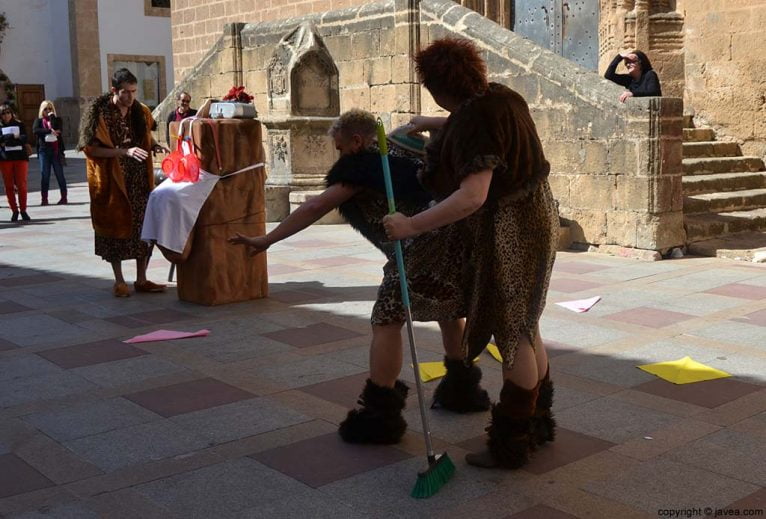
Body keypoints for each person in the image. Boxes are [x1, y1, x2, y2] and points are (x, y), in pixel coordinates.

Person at [229, 109, 491, 444]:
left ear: (356, 141)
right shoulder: (403, 142)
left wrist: (267, 239)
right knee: (450, 310)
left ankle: (380, 415)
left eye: (339, 147)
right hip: (451, 237)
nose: (338, 154)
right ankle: (462, 389)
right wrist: (427, 122)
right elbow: (460, 123)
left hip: (416, 246)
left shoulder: (360, 169)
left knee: (386, 321)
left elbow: (314, 207)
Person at [383, 38, 559, 469]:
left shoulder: (473, 120)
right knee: (526, 321)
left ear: (438, 84)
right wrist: (436, 122)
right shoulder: (502, 95)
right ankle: (537, 420)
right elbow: (486, 129)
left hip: (510, 229)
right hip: (538, 214)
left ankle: (512, 442)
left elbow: (471, 196)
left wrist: (410, 226)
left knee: (512, 333)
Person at [79, 68, 169, 298]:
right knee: (114, 229)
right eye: (125, 92)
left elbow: (145, 135)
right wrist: (123, 151)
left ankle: (141, 278)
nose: (130, 97)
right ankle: (119, 281)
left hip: (139, 179)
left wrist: (154, 144)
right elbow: (91, 149)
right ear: (114, 90)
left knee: (144, 227)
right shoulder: (98, 114)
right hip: (111, 181)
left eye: (133, 91)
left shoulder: (140, 111)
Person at [33, 100, 67, 205]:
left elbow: (58, 128)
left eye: (50, 108)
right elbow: (36, 130)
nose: (48, 111)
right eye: (46, 109)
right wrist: (49, 131)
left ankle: (64, 197)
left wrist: (52, 117)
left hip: (56, 150)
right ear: (42, 110)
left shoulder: (57, 120)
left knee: (59, 174)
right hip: (44, 151)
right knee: (45, 175)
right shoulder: (38, 121)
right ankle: (44, 199)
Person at [0, 104, 31, 222]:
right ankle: (14, 210)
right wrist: (13, 136)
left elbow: (23, 138)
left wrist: (6, 140)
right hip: (5, 159)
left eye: (8, 112)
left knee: (21, 184)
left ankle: (23, 210)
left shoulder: (19, 124)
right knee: (8, 186)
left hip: (20, 157)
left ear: (11, 113)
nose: (6, 115)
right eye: (3, 113)